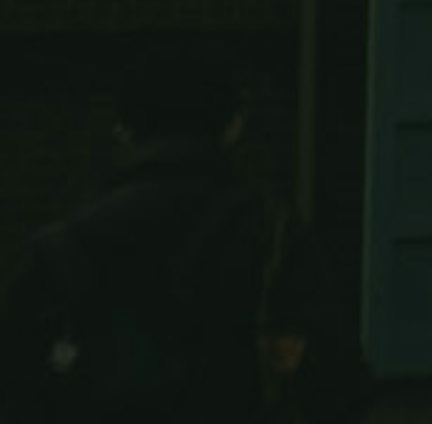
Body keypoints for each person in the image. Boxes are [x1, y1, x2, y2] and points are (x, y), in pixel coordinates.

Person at [0, 50, 312, 424]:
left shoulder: (64, 244)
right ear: (233, 127)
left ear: (124, 131)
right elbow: (336, 376)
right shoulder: (273, 234)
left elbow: (16, 376)